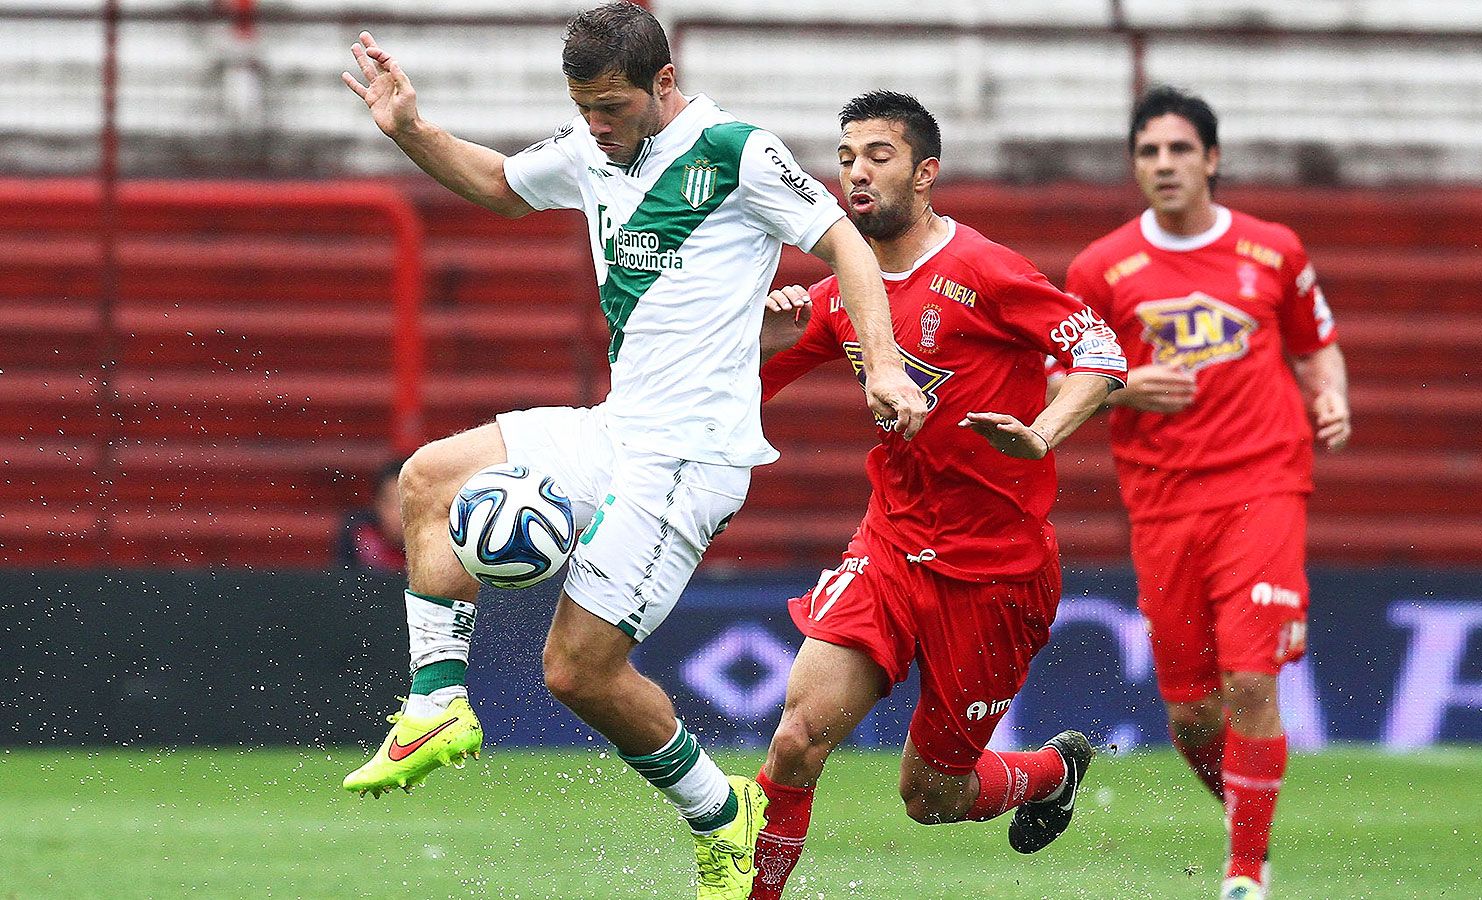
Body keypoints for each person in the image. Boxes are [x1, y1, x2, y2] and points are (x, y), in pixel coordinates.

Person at [338, 5, 927, 897]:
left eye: (611, 107)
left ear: (663, 83)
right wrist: (410, 129)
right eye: (583, 108)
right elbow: (500, 183)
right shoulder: (592, 146)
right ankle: (436, 705)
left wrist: (880, 363)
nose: (596, 126)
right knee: (429, 477)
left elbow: (843, 240)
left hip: (691, 458)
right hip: (619, 428)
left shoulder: (734, 152)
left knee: (576, 671)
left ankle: (719, 813)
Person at [752, 91, 1128, 899]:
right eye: (846, 158)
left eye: (877, 156)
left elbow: (1101, 351)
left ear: (925, 173)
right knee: (795, 741)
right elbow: (730, 392)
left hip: (994, 572)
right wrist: (758, 336)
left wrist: (1043, 433)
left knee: (931, 797)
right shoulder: (841, 293)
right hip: (888, 547)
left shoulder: (985, 269)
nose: (856, 173)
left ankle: (1049, 772)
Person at [1063, 85, 1350, 900]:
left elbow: (1317, 347)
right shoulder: (1100, 269)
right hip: (1161, 503)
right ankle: (1248, 821)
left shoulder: (1273, 250)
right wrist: (1123, 387)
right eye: (1148, 151)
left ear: (1212, 159)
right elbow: (1059, 380)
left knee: (1251, 681)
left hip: (1264, 483)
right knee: (1191, 715)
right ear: (1134, 166)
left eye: (1180, 149)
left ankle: (1244, 874)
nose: (1164, 164)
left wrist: (1330, 394)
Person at [332, 457, 407, 572]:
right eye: (391, 502)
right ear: (377, 504)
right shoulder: (358, 536)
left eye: (405, 504)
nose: (398, 514)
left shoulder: (432, 543)